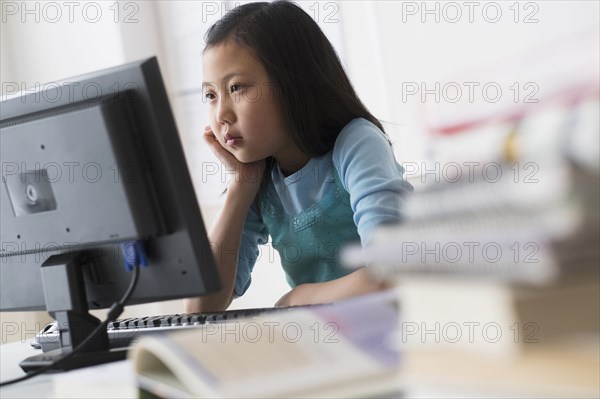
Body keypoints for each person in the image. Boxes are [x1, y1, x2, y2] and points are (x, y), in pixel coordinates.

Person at [185, 1, 412, 312]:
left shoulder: (356, 143)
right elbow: (201, 308)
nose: (221, 114)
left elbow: (391, 275)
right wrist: (240, 185)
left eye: (236, 88)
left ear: (293, 83)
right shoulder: (259, 178)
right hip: (327, 345)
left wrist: (297, 298)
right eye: (211, 94)